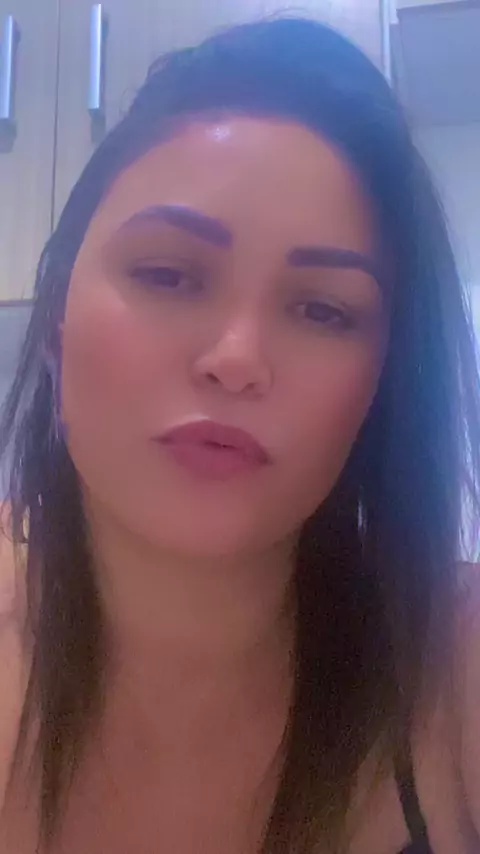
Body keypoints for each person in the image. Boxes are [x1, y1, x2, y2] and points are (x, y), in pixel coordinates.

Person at [0, 16, 479, 854]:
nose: (237, 359)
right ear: (57, 324)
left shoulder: (456, 664)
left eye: (323, 310)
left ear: (382, 383)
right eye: (167, 274)